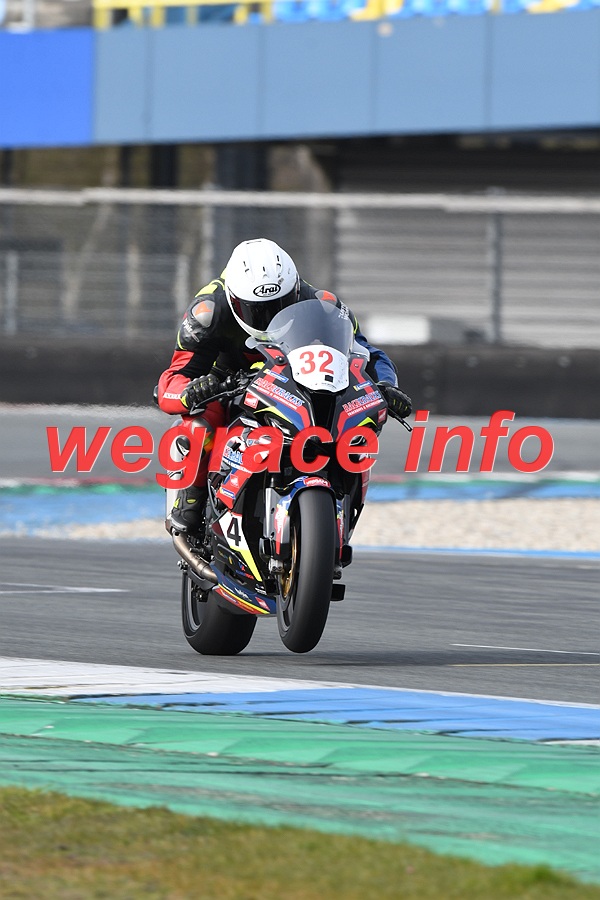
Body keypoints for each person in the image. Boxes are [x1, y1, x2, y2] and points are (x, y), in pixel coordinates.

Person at [157, 237, 412, 533]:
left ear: (294, 291)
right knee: (200, 425)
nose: (268, 318)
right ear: (234, 300)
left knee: (348, 424)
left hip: (291, 378)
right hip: (227, 379)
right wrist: (192, 392)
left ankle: (341, 496)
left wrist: (386, 385)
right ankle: (191, 501)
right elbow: (172, 379)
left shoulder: (323, 304)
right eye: (257, 310)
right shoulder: (207, 312)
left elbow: (367, 353)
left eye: (279, 306)